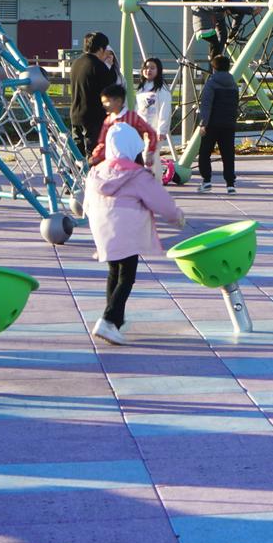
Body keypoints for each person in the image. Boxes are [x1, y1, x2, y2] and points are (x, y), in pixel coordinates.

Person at [84, 123, 189, 345]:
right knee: (127, 276)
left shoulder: (96, 171)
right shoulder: (136, 174)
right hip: (128, 231)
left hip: (102, 229)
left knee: (114, 272)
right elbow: (159, 200)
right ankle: (108, 320)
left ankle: (116, 320)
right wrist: (176, 217)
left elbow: (87, 202)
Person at [68, 31, 118, 156]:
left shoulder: (76, 63)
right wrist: (109, 66)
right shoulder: (97, 65)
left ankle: (74, 174)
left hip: (75, 114)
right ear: (101, 48)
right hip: (93, 117)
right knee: (93, 153)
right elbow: (109, 86)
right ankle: (90, 175)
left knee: (77, 153)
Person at [87, 83, 159, 166]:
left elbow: (151, 132)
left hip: (134, 158)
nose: (104, 105)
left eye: (107, 102)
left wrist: (150, 151)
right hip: (116, 161)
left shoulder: (132, 117)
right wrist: (96, 157)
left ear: (118, 101)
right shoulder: (108, 121)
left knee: (136, 177)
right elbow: (103, 143)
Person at [197, 53, 240, 193]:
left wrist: (203, 124)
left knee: (204, 153)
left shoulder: (211, 83)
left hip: (212, 124)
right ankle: (230, 184)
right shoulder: (233, 84)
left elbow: (206, 105)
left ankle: (207, 181)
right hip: (228, 124)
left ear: (213, 68)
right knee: (228, 154)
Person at [136, 58, 174, 154]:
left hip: (155, 130)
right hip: (142, 129)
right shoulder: (142, 87)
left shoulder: (162, 89)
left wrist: (161, 130)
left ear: (158, 70)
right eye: (146, 67)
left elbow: (165, 110)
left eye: (152, 68)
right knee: (149, 160)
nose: (148, 70)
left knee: (148, 156)